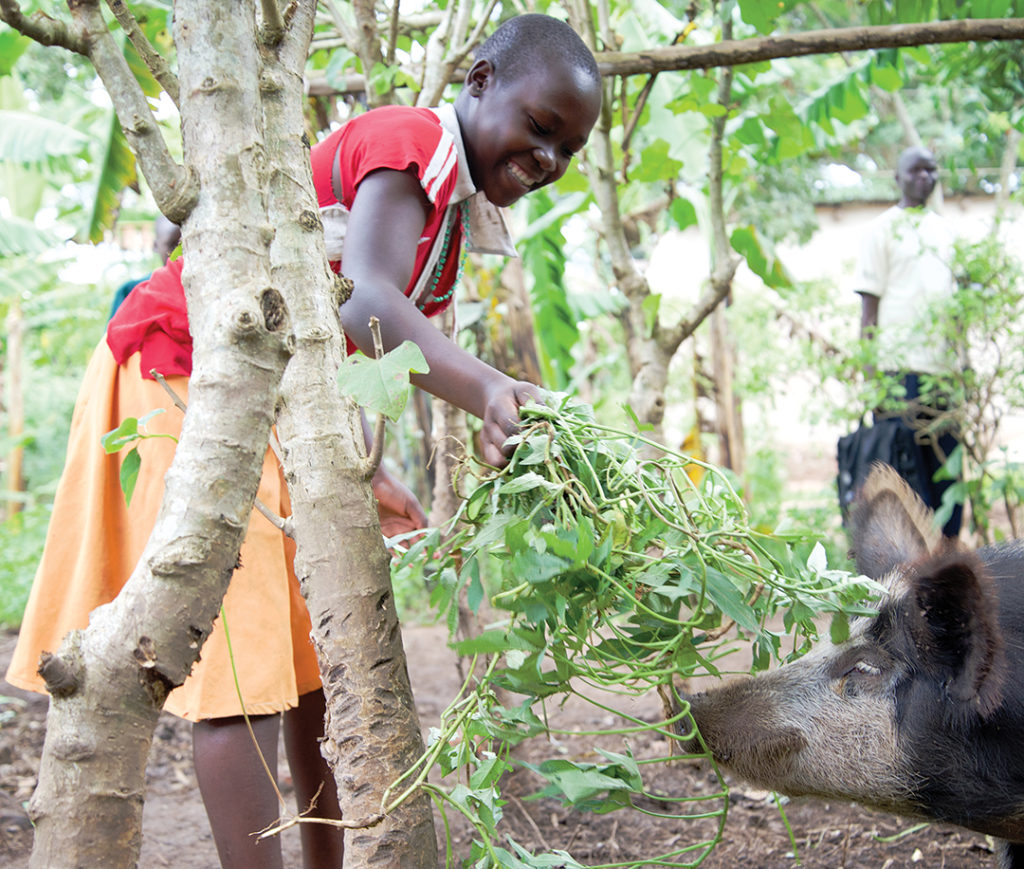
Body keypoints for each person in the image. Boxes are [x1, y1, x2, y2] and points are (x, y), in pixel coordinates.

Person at [5, 13, 602, 869]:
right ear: (478, 82)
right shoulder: (408, 145)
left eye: (567, 150)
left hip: (274, 399)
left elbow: (353, 352)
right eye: (540, 128)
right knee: (241, 676)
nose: (547, 159)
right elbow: (364, 304)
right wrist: (491, 392)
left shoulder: (457, 217)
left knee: (313, 667)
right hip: (185, 370)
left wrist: (368, 466)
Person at [852, 145, 963, 537]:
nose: (925, 178)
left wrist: (961, 366)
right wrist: (872, 378)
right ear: (898, 178)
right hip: (897, 374)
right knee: (904, 475)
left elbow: (957, 307)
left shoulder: (945, 231)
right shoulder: (881, 229)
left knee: (946, 475)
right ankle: (910, 574)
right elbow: (869, 311)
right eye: (916, 171)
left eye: (932, 171)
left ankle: (950, 561)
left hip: (942, 375)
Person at [108, 214, 181, 319]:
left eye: (187, 243)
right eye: (173, 245)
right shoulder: (130, 291)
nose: (181, 252)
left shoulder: (206, 284)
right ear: (155, 246)